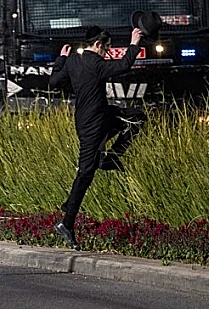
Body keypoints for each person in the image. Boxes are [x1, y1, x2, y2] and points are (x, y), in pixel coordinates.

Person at [48, 25, 146, 250]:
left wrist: (61, 60)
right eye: (107, 47)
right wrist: (134, 42)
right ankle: (67, 222)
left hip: (96, 118)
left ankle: (111, 158)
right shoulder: (97, 64)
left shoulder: (73, 61)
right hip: (93, 126)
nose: (108, 52)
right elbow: (124, 65)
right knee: (85, 173)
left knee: (136, 118)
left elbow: (54, 82)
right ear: (98, 45)